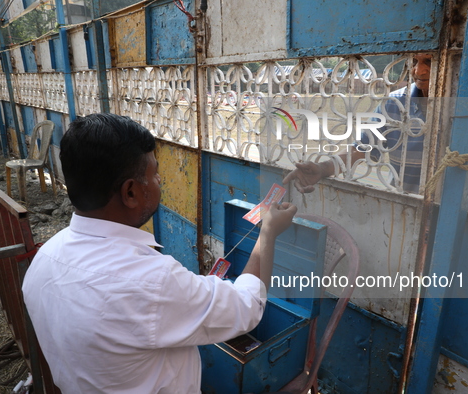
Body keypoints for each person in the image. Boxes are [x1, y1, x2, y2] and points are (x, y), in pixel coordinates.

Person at [22, 113, 297, 393]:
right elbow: (247, 308)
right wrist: (268, 233)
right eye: (154, 173)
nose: (159, 179)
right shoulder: (151, 281)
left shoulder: (42, 261)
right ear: (130, 192)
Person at [283, 53, 468, 194]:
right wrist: (323, 169)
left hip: (452, 204)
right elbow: (362, 150)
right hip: (406, 199)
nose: (419, 70)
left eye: (430, 61)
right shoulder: (396, 104)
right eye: (415, 60)